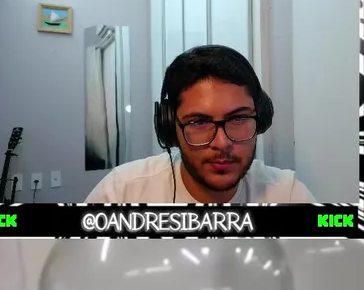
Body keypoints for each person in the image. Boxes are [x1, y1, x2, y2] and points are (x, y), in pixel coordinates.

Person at [86, 45, 315, 203]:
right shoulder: (120, 193)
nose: (222, 143)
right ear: (170, 127)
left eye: (238, 119)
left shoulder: (288, 194)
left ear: (260, 119)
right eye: (198, 122)